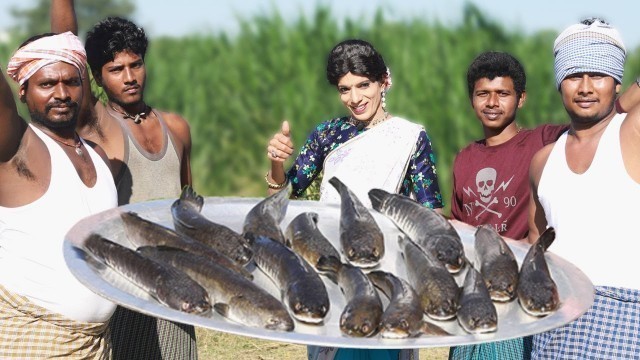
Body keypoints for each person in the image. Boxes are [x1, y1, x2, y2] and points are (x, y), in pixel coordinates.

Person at [266, 39, 443, 360]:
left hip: (389, 269)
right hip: (334, 266)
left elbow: (432, 212)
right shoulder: (327, 134)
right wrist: (276, 163)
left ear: (384, 81)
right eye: (344, 89)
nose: (355, 98)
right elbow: (281, 196)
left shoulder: (412, 137)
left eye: (364, 85)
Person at [50, 1, 195, 359]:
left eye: (136, 65)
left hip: (176, 283)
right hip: (124, 283)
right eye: (116, 69)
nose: (129, 77)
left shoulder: (175, 126)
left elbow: (189, 205)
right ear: (98, 78)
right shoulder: (98, 125)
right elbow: (66, 53)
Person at [0, 32, 117, 358]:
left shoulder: (97, 155)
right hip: (34, 337)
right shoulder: (17, 149)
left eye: (71, 82)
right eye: (47, 84)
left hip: (97, 343)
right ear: (22, 92)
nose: (62, 94)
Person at [528, 18, 640, 359]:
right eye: (575, 75)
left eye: (599, 75)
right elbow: (537, 239)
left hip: (625, 319)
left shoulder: (631, 133)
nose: (586, 87)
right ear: (560, 82)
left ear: (618, 83)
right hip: (555, 326)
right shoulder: (543, 161)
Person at [448, 51, 567, 360]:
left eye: (503, 94)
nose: (492, 103)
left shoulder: (543, 141)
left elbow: (601, 121)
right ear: (471, 99)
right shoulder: (464, 158)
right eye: (482, 94)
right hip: (471, 302)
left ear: (521, 98)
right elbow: (459, 227)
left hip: (515, 302)